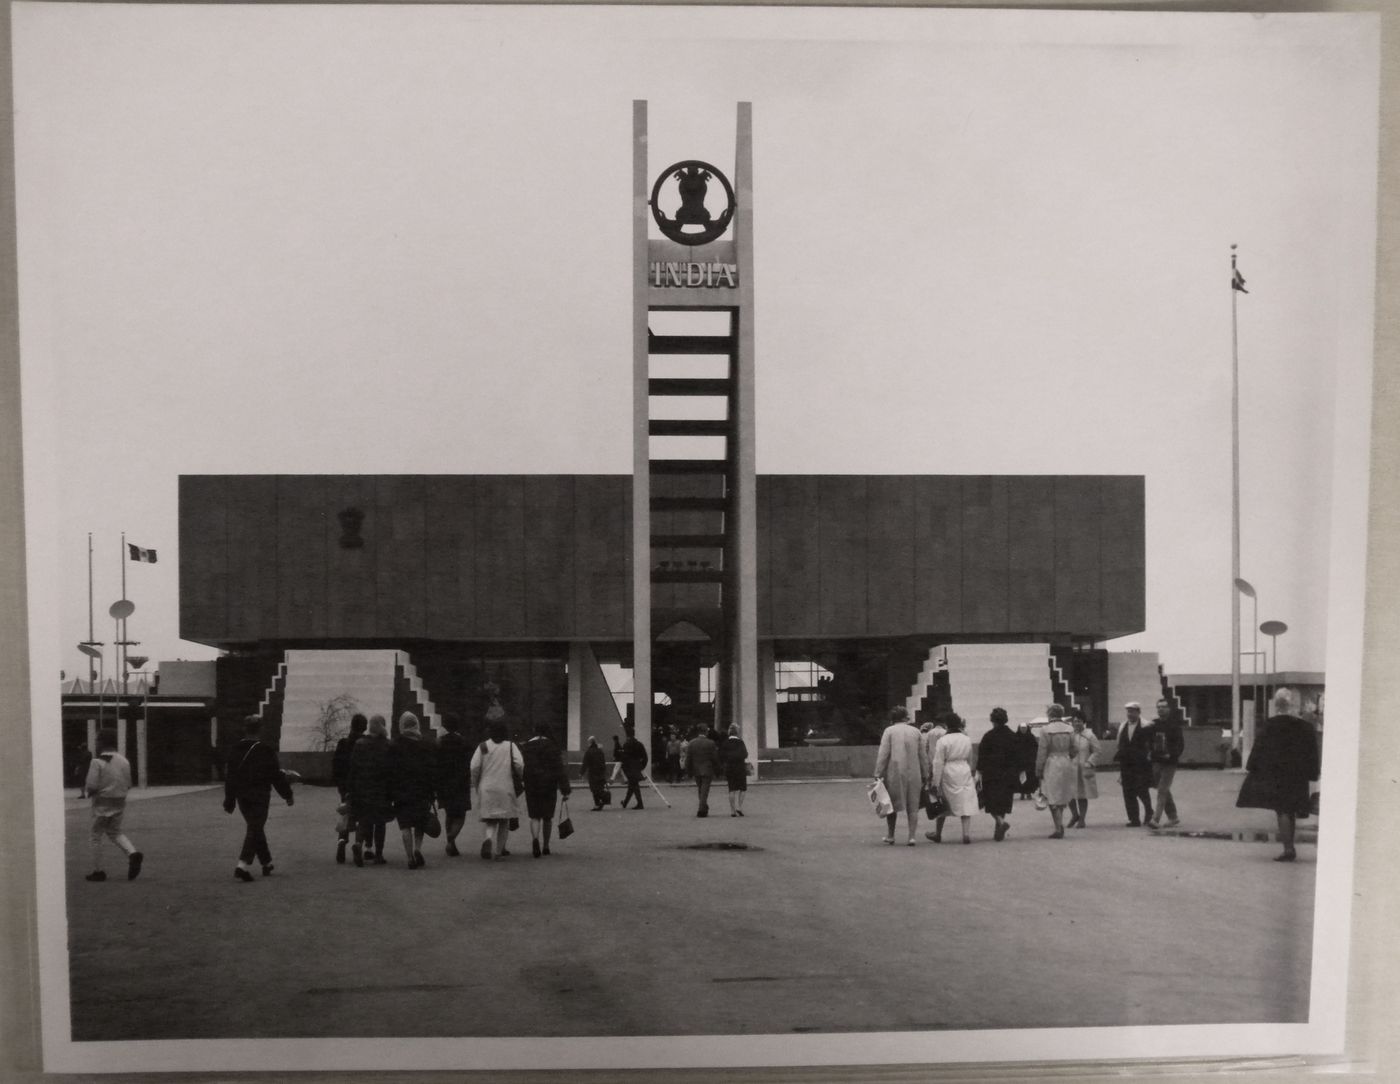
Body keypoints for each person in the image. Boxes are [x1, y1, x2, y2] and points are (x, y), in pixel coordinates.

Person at [1236, 687, 1321, 862]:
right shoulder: (1305, 727)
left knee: (1282, 809)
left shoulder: (1270, 725)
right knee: (1291, 809)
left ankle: (1288, 848)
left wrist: (1251, 766)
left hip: (1277, 774)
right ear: (1293, 705)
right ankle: (1289, 846)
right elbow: (1312, 752)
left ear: (1276, 705)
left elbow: (1259, 749)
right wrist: (1313, 773)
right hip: (1297, 775)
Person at [223, 715, 294, 882]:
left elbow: (230, 777)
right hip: (260, 796)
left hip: (242, 796)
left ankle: (266, 862)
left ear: (245, 729)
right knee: (255, 828)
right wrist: (288, 795)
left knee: (255, 828)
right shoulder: (265, 750)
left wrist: (229, 799)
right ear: (260, 729)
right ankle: (242, 865)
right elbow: (275, 776)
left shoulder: (235, 749)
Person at [83, 729, 142, 882]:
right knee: (114, 831)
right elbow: (129, 783)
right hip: (120, 801)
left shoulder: (97, 761)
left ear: (102, 742)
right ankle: (132, 853)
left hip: (102, 802)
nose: (96, 743)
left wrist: (90, 793)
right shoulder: (124, 761)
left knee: (95, 836)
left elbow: (91, 785)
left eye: (97, 740)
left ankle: (98, 871)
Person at [387, 713, 437, 869]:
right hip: (422, 792)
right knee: (420, 823)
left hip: (401, 792)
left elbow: (390, 771)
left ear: (402, 725)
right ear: (417, 724)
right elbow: (432, 770)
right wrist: (432, 791)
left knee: (405, 826)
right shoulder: (426, 745)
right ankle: (417, 849)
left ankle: (409, 857)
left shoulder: (394, 745)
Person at [874, 706, 929, 846]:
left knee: (891, 803)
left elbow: (883, 754)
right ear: (906, 717)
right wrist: (926, 774)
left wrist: (878, 773)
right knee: (913, 805)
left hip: (895, 771)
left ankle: (891, 835)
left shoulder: (889, 731)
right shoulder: (916, 732)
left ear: (892, 719)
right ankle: (911, 837)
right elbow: (923, 756)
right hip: (914, 771)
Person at [470, 718, 524, 860]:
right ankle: (499, 852)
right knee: (504, 821)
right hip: (506, 787)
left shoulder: (483, 746)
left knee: (490, 819)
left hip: (486, 787)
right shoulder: (510, 746)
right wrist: (520, 776)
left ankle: (488, 838)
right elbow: (519, 764)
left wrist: (476, 783)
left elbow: (474, 767)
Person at [348, 714, 393, 866]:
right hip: (381, 789)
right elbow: (391, 769)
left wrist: (351, 789)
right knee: (380, 823)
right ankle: (378, 855)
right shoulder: (387, 745)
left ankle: (359, 844)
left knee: (364, 820)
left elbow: (353, 769)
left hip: (362, 788)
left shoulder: (360, 743)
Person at [521, 721, 572, 857]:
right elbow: (559, 769)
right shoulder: (552, 746)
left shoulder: (526, 747)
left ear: (534, 730)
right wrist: (565, 789)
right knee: (547, 817)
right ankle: (546, 846)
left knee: (535, 816)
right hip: (549, 784)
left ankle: (535, 839)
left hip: (532, 784)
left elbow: (522, 766)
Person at [928, 713, 978, 844]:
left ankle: (938, 833)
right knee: (965, 801)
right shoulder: (966, 739)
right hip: (964, 768)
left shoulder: (943, 741)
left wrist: (935, 782)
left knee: (943, 801)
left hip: (949, 770)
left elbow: (938, 762)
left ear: (947, 725)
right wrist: (972, 772)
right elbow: (971, 758)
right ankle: (966, 834)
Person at [976, 707, 1019, 842]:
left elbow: (982, 755)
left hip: (992, 774)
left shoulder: (989, 736)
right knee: (1003, 802)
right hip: (1009, 773)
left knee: (991, 801)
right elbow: (1018, 755)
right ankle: (998, 829)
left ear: (992, 720)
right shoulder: (1013, 735)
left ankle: (1000, 823)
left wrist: (979, 771)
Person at [331, 713, 368, 864]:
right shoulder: (365, 743)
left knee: (346, 815)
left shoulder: (342, 743)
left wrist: (341, 787)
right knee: (363, 816)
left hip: (345, 787)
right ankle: (358, 843)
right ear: (364, 727)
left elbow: (336, 767)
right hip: (362, 786)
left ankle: (341, 841)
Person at [1035, 705, 1076, 838]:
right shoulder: (1070, 728)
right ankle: (1060, 824)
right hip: (1066, 761)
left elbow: (1042, 752)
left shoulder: (1045, 730)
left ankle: (1058, 827)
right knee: (1063, 794)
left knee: (1052, 795)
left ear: (1050, 714)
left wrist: (1039, 769)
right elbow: (1074, 749)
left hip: (1051, 762)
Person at [435, 713, 472, 856]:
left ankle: (451, 843)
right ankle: (451, 838)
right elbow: (468, 762)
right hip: (460, 782)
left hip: (443, 783)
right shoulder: (464, 742)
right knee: (461, 816)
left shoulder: (439, 742)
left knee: (449, 814)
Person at [1114, 701, 1154, 827]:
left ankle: (1149, 811)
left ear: (1138, 712)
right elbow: (1119, 742)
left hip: (1141, 763)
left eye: (1132, 711)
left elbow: (1151, 743)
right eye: (1128, 711)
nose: (1129, 714)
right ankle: (1134, 818)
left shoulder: (1147, 726)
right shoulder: (1123, 726)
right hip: (1126, 763)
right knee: (1127, 791)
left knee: (1141, 789)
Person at [1146, 698, 1184, 828]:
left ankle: (1155, 819)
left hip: (1169, 762)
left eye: (1163, 707)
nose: (1160, 709)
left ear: (1169, 709)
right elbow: (1149, 741)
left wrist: (1172, 754)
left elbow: (1180, 745)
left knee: (1162, 789)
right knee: (1163, 789)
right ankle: (1173, 817)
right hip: (1156, 761)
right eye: (1158, 707)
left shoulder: (1175, 725)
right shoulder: (1153, 725)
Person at [1067, 707, 1100, 829]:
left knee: (1082, 795)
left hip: (1084, 769)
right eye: (1075, 721)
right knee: (1069, 794)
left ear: (1084, 722)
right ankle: (1074, 815)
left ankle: (1082, 819)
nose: (1077, 723)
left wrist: (1090, 762)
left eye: (1079, 721)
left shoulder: (1090, 735)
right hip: (1071, 768)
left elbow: (1097, 751)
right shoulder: (1070, 735)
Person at [686, 725, 722, 817]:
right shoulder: (711, 743)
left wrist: (688, 771)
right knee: (704, 790)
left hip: (696, 770)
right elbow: (714, 758)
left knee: (700, 789)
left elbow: (688, 758)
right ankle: (701, 809)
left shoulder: (691, 743)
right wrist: (718, 770)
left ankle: (704, 807)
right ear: (706, 731)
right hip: (707, 769)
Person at [719, 723, 751, 817]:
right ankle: (739, 807)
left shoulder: (725, 743)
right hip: (740, 767)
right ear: (737, 732)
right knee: (743, 788)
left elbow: (721, 756)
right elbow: (745, 754)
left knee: (731, 789)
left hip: (730, 767)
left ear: (729, 732)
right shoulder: (741, 742)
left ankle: (732, 810)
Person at [619, 723, 650, 810]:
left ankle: (640, 804)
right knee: (632, 786)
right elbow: (645, 757)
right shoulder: (639, 744)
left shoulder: (626, 745)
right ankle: (625, 803)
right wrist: (641, 767)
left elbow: (623, 758)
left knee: (634, 786)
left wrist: (624, 770)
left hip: (629, 768)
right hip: (636, 767)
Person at [581, 736, 610, 810]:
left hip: (593, 773)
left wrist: (581, 773)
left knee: (594, 789)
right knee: (599, 788)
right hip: (600, 773)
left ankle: (597, 804)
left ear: (590, 743)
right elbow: (603, 762)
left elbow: (585, 763)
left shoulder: (588, 751)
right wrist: (604, 772)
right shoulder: (600, 751)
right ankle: (600, 803)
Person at [1015, 723, 1040, 799]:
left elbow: (1035, 748)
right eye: (1022, 728)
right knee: (1020, 777)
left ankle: (1028, 793)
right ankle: (1022, 793)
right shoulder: (1016, 737)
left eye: (1024, 728)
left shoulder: (1031, 737)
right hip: (1019, 761)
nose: (1023, 730)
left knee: (1030, 777)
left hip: (1029, 761)